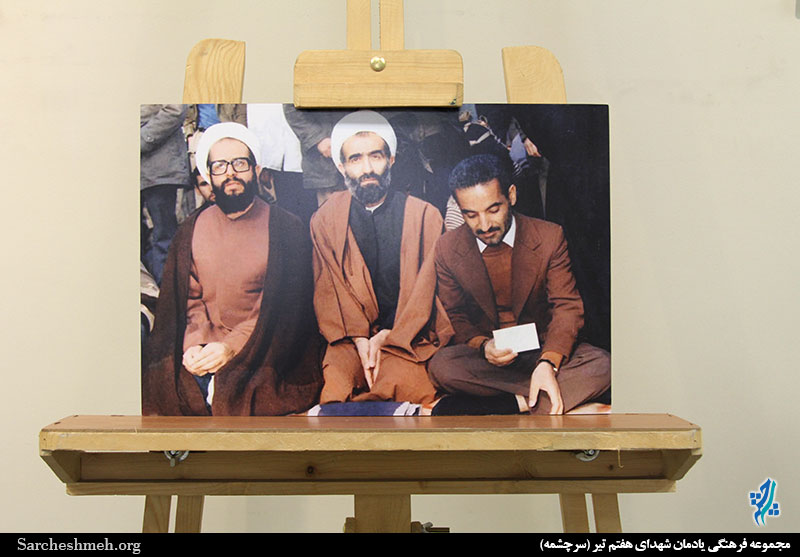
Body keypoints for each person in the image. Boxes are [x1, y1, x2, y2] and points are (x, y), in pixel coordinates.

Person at [143, 122, 323, 416]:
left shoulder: (286, 228)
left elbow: (285, 312)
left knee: (246, 394)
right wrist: (195, 346)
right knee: (168, 392)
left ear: (256, 169)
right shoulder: (191, 229)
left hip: (264, 348)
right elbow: (188, 300)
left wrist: (231, 348)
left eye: (240, 163)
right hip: (204, 345)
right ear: (208, 175)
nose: (230, 173)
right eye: (220, 166)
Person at [429, 154, 610, 415]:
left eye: (493, 210)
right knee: (442, 366)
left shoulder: (549, 236)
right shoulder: (447, 248)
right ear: (459, 209)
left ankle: (508, 405)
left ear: (511, 196)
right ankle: (542, 400)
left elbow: (567, 308)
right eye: (471, 215)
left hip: (542, 347)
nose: (484, 225)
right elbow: (456, 316)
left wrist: (548, 363)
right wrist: (484, 346)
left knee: (603, 365)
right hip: (492, 358)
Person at [310, 110, 453, 406]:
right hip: (351, 339)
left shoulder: (424, 216)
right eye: (355, 159)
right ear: (341, 166)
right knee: (338, 388)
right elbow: (329, 292)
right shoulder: (325, 220)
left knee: (406, 386)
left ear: (391, 160)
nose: (367, 169)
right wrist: (361, 339)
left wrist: (389, 335)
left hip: (409, 336)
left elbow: (428, 295)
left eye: (375, 157)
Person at [140, 104, 190, 284]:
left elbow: (175, 109)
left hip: (160, 169)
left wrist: (140, 139)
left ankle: (168, 294)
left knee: (164, 239)